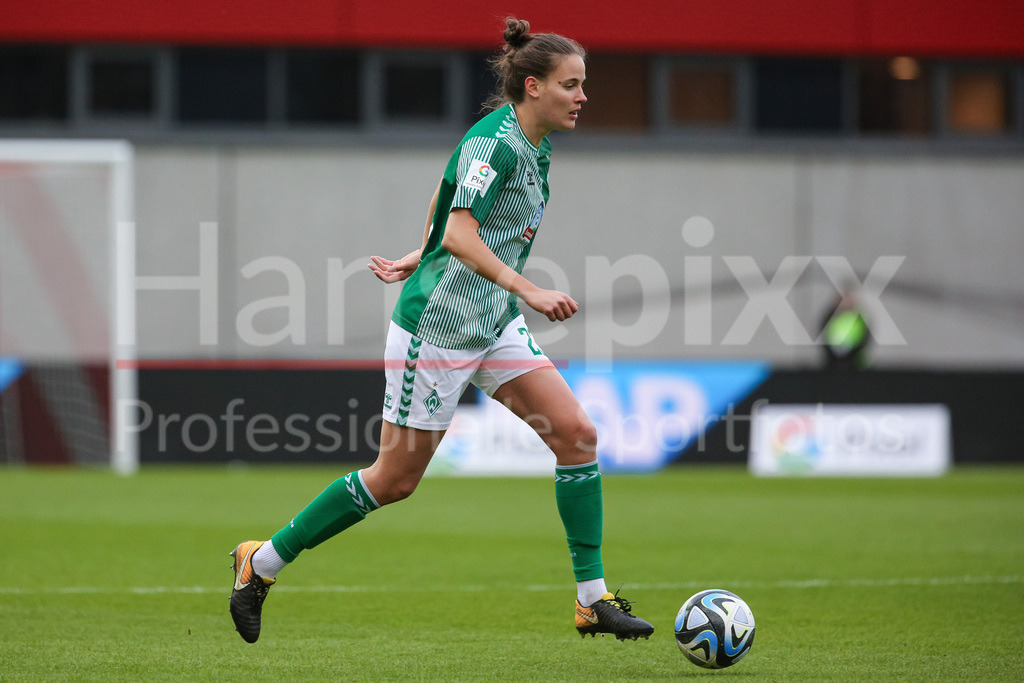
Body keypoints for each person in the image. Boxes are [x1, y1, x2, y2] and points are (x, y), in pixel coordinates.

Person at [228, 17, 653, 645]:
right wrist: (524, 287)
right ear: (533, 86)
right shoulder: (499, 141)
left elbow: (446, 190)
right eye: (572, 84)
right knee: (393, 481)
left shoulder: (536, 142)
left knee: (576, 434)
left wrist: (420, 248)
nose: (583, 96)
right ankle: (260, 562)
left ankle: (593, 601)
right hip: (438, 330)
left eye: (583, 84)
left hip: (491, 322)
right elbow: (459, 229)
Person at [819, 282, 872, 370]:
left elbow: (865, 339)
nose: (845, 300)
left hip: (855, 367)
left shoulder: (860, 319)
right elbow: (825, 337)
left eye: (848, 297)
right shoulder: (831, 317)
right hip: (832, 366)